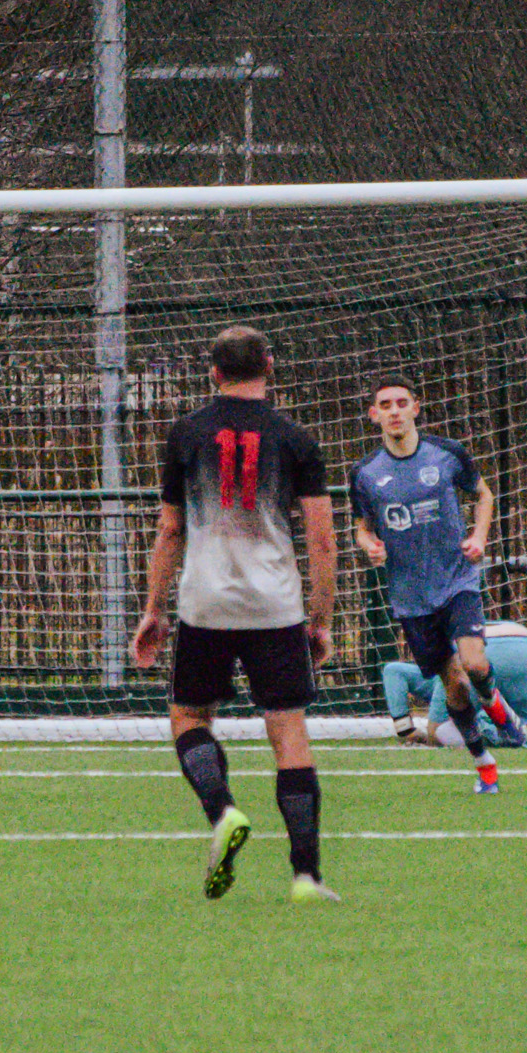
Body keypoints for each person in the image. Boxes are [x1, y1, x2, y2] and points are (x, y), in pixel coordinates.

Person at [131, 325, 340, 904]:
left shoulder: (187, 434)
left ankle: (221, 810)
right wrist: (319, 620)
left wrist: (154, 608)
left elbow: (170, 528)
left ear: (213, 373)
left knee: (188, 717)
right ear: (269, 366)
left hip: (205, 605)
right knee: (289, 734)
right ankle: (305, 877)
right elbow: (322, 540)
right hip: (276, 607)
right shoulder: (297, 438)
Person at [350, 377, 518, 794]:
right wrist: (370, 545)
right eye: (384, 404)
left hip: (456, 580)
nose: (393, 410)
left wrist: (478, 537)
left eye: (401, 403)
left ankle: (494, 701)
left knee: (475, 663)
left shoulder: (446, 455)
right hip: (411, 598)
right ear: (374, 415)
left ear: (416, 408)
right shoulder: (366, 473)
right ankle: (484, 762)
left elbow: (484, 495)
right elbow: (361, 528)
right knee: (454, 685)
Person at [381, 619, 527, 749]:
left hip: (471, 649)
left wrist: (407, 731)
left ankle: (487, 732)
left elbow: (393, 671)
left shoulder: (438, 666)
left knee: (437, 731)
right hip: (525, 643)